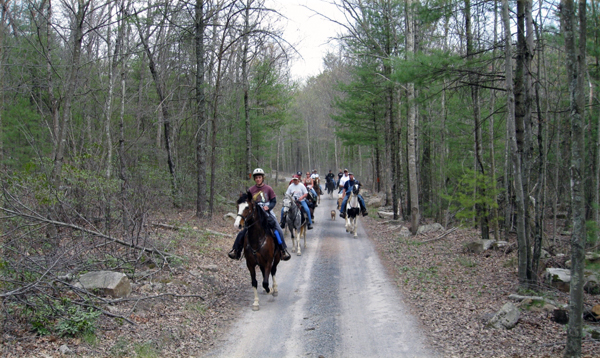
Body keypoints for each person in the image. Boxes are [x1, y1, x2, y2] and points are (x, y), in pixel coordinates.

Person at [228, 168, 291, 261]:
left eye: (259, 177)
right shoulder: (251, 190)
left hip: (267, 213)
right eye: (256, 177)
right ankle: (236, 251)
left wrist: (269, 207)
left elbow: (274, 201)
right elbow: (246, 202)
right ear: (254, 179)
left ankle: (283, 251)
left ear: (262, 178)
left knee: (278, 230)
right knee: (243, 232)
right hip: (255, 215)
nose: (258, 179)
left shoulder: (268, 189)